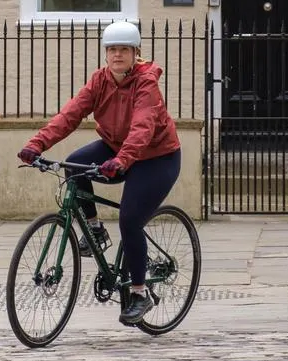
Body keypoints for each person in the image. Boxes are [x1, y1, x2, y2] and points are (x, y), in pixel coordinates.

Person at [17, 21, 182, 325]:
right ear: (106, 54)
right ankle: (94, 229)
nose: (117, 55)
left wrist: (122, 160)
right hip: (116, 148)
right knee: (72, 167)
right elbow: (69, 115)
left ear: (136, 53)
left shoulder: (146, 84)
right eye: (112, 49)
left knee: (130, 220)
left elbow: (143, 127)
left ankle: (139, 292)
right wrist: (35, 145)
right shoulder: (99, 81)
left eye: (124, 50)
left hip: (156, 157)